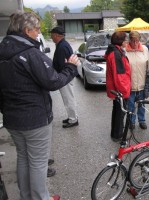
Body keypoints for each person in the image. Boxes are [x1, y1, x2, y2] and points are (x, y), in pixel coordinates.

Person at [0, 11, 79, 200]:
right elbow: (52, 81)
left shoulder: (3, 50)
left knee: (24, 158)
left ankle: (26, 196)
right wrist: (71, 67)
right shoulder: (30, 53)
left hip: (12, 118)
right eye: (36, 29)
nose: (38, 33)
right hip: (34, 118)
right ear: (27, 30)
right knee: (38, 163)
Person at [50, 26, 79, 128]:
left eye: (52, 35)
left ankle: (73, 119)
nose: (51, 37)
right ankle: (72, 116)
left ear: (57, 35)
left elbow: (63, 64)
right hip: (67, 76)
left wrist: (59, 76)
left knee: (68, 98)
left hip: (65, 77)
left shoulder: (62, 46)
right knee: (69, 98)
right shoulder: (62, 44)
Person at [105, 31, 131, 142]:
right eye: (125, 39)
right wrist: (125, 92)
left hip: (116, 89)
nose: (127, 41)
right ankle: (118, 135)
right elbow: (119, 76)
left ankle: (116, 133)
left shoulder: (115, 51)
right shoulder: (116, 53)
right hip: (119, 90)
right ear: (120, 41)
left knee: (117, 111)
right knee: (120, 112)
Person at [125, 31, 149, 130]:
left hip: (142, 83)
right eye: (133, 41)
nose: (135, 43)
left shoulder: (145, 49)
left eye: (137, 41)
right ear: (129, 40)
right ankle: (131, 121)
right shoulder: (125, 51)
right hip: (130, 84)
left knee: (141, 104)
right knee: (130, 105)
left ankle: (142, 120)